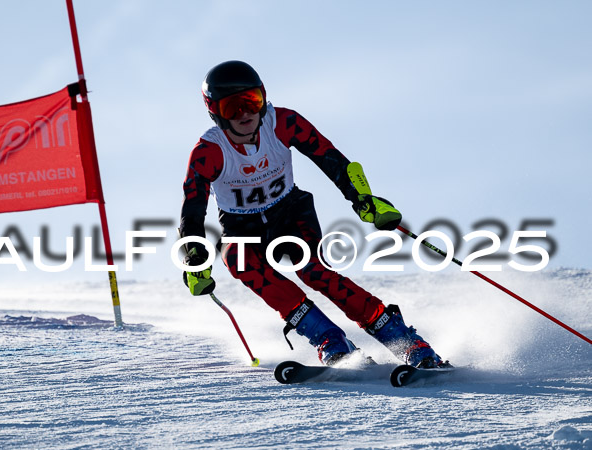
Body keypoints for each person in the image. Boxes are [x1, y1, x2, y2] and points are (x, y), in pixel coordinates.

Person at [179, 60, 447, 368]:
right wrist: (194, 258)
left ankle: (406, 342)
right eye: (232, 107)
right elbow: (192, 209)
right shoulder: (208, 152)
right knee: (236, 258)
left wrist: (363, 199)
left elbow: (330, 158)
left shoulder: (282, 123)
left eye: (251, 101)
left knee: (313, 271)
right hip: (242, 226)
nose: (245, 114)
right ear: (215, 111)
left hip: (291, 212)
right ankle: (329, 339)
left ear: (263, 97)